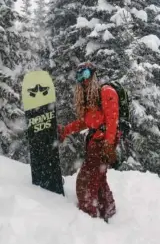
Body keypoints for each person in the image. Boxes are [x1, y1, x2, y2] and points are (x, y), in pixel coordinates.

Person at [58, 62, 119, 221]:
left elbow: (112, 120)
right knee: (98, 179)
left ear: (93, 74)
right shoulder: (89, 99)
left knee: (85, 182)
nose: (82, 79)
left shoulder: (106, 92)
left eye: (85, 74)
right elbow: (86, 122)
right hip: (94, 144)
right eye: (79, 76)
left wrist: (108, 144)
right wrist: (66, 130)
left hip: (103, 144)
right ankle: (109, 212)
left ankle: (89, 218)